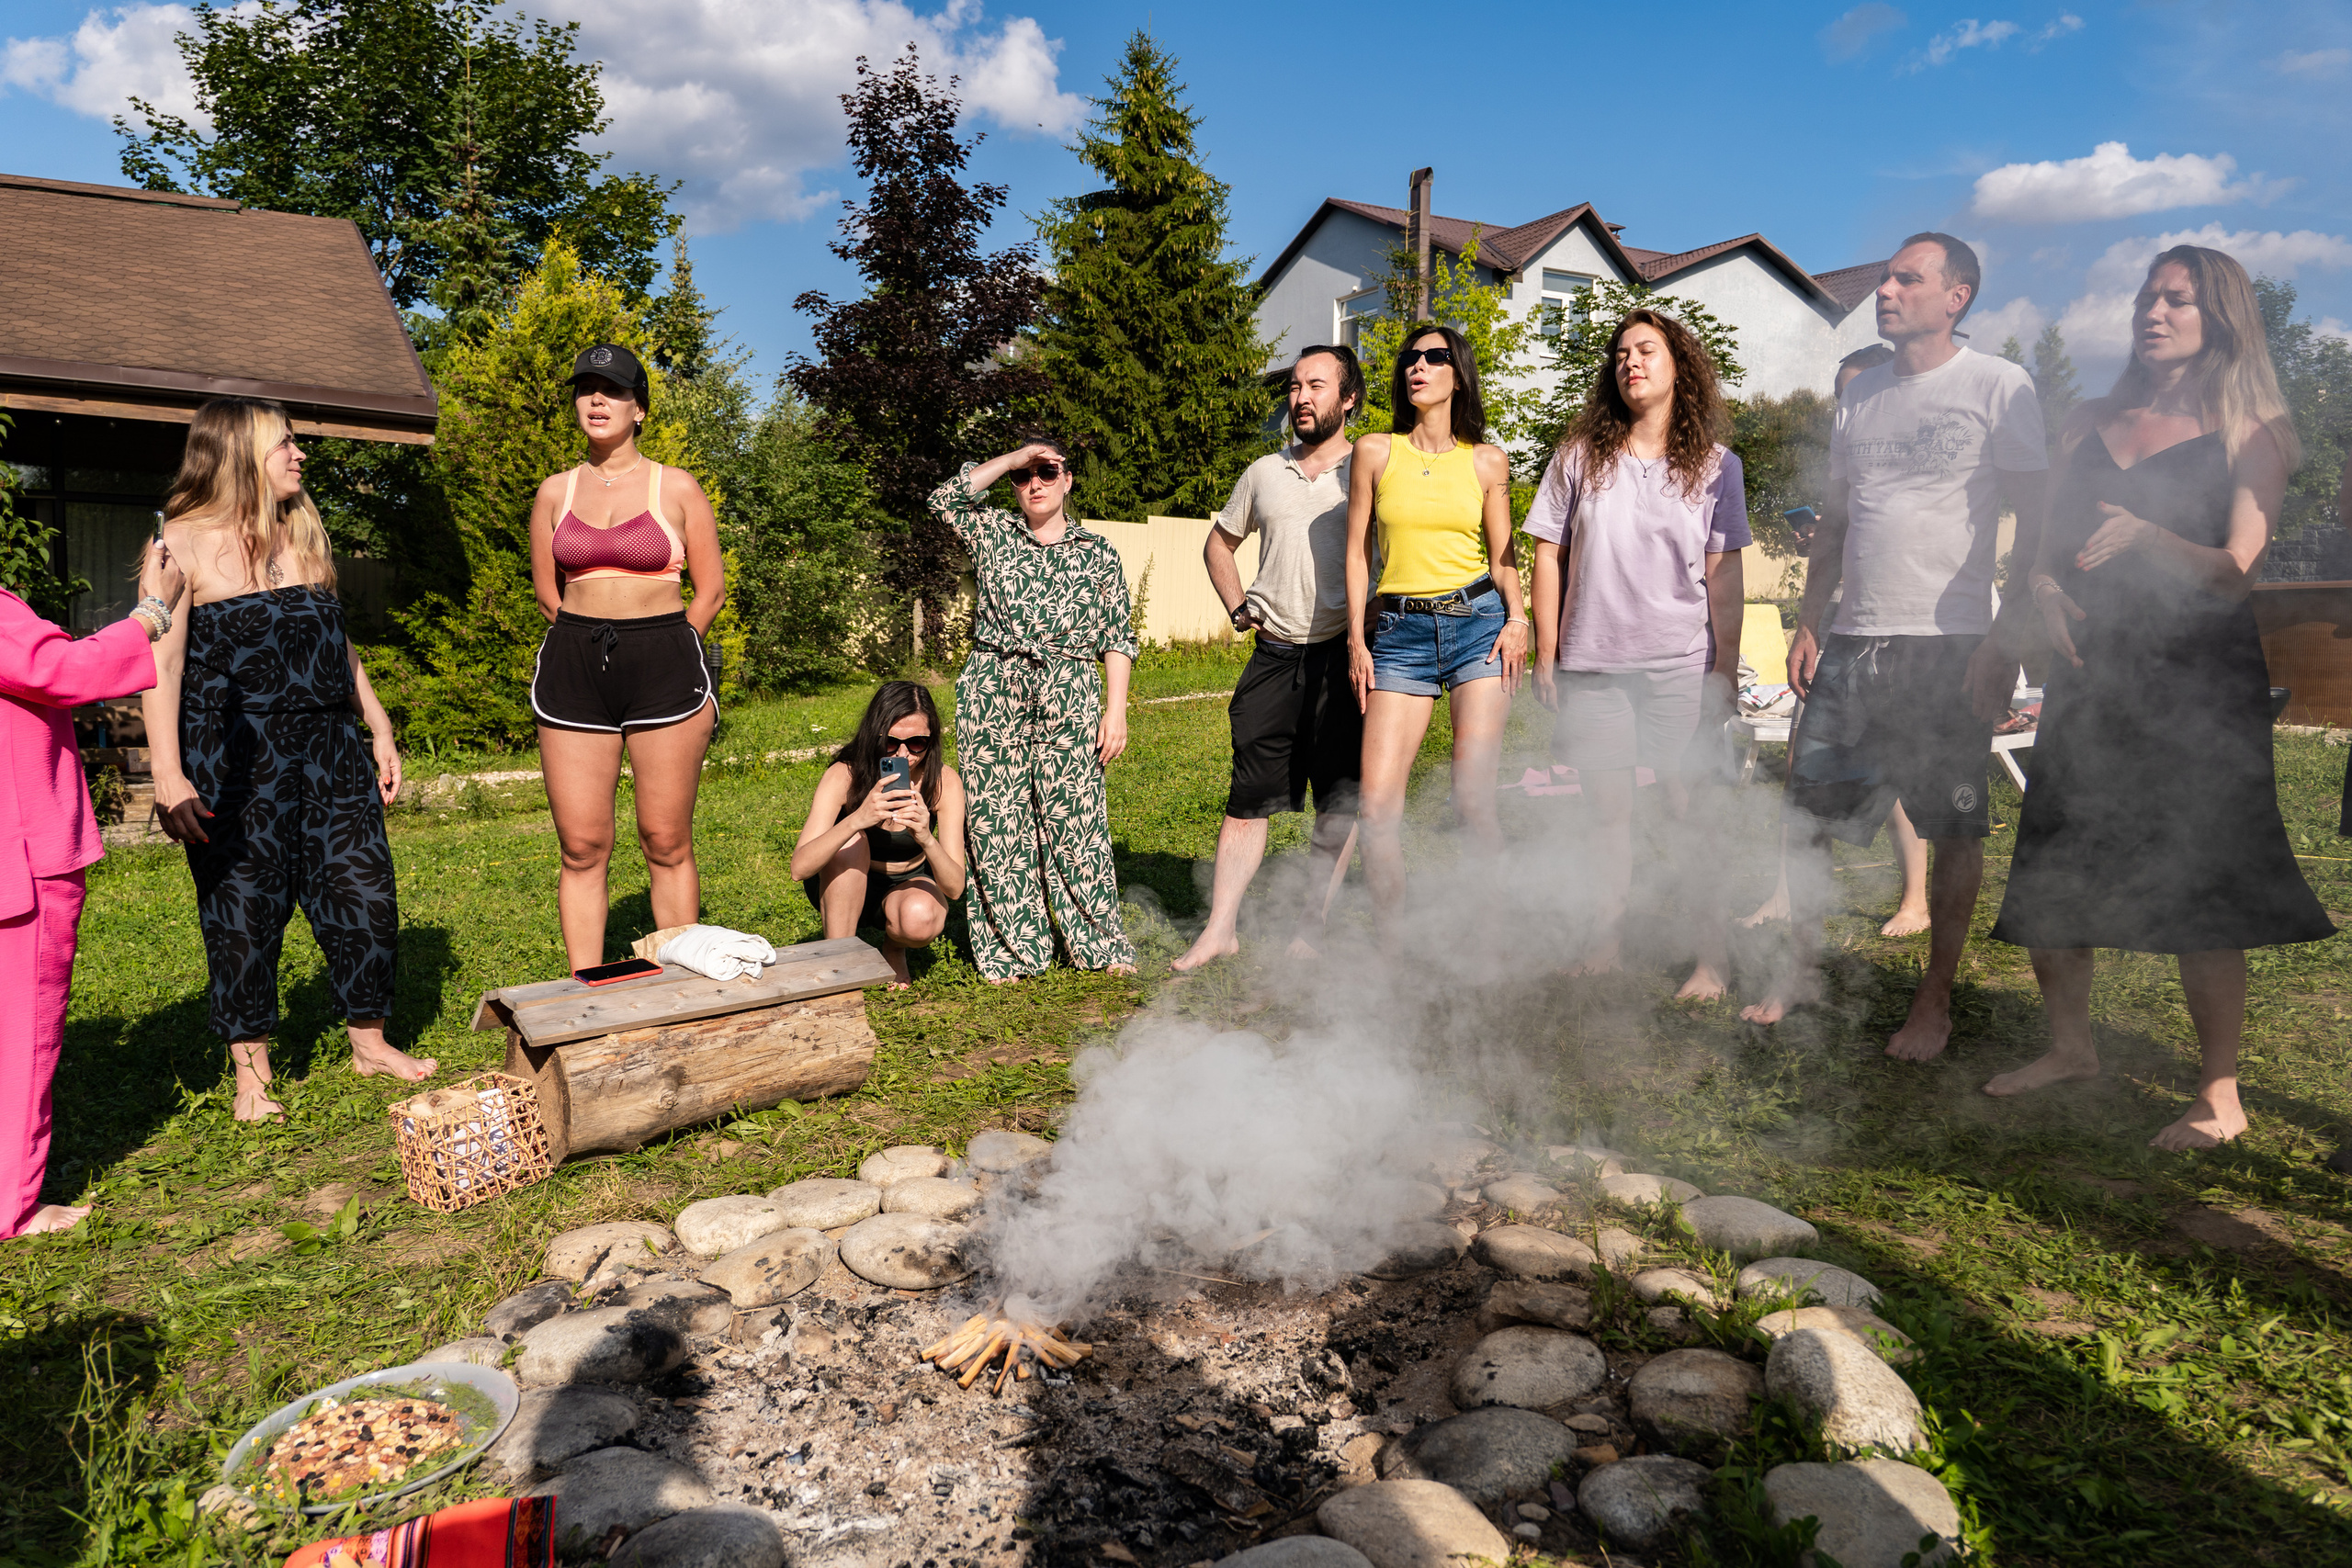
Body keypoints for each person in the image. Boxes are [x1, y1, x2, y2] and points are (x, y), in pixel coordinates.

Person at [1983, 244, 2334, 1149]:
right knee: (2058, 861)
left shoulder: (2252, 429)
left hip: (2197, 685)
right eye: (2147, 295)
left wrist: (2150, 539)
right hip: (2092, 675)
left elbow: (2237, 571)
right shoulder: (2085, 422)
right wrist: (2047, 593)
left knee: (2198, 878)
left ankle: (2219, 1095)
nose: (2153, 311)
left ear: (2219, 318)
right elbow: (2046, 548)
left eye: (2176, 300)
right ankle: (2070, 1048)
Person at [1744, 233, 2050, 1057]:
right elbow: (1838, 521)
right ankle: (1796, 971)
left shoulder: (1998, 384)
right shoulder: (1862, 395)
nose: (1885, 288)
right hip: (1854, 638)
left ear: (1958, 296)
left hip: (1949, 645)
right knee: (1807, 814)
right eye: (1885, 276)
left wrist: (2004, 639)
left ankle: (1934, 1001)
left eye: (1907, 279)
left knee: (1954, 829)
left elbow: (2038, 527)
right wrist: (1811, 619)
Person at [142, 398, 435, 1122]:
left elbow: (336, 643)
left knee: (364, 893)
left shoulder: (301, 535)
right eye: (285, 444)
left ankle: (370, 1041)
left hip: (331, 747)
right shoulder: (179, 544)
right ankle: (253, 1075)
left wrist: (378, 721)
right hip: (236, 754)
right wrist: (168, 771)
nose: (299, 455)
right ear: (238, 453)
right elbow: (162, 667)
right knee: (244, 909)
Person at [1527, 309, 1747, 995]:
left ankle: (1712, 957)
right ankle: (1605, 940)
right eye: (1621, 353)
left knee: (1688, 809)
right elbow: (1546, 553)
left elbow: (1725, 574)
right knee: (1605, 813)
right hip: (1592, 664)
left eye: (1646, 350)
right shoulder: (1578, 456)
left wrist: (1725, 669)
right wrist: (1545, 651)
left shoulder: (1716, 467)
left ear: (1680, 365)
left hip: (1680, 665)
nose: (1631, 362)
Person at [2, 546, 185, 1236]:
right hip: (22, 856)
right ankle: (12, 1205)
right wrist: (153, 611)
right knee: (23, 1034)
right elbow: (63, 670)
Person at [528, 344, 725, 973]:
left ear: (638, 408)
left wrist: (671, 645)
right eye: (585, 387)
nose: (595, 399)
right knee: (582, 845)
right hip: (574, 666)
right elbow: (545, 594)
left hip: (664, 660)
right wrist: (589, 640)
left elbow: (712, 590)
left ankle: (680, 987)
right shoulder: (554, 492)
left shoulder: (679, 488)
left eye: (611, 390)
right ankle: (586, 990)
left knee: (665, 840)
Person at [1171, 344, 1365, 971]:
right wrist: (1237, 607)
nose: (1300, 397)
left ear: (1348, 398)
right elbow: (1218, 544)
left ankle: (1310, 929)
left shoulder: (1368, 468)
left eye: (1316, 385)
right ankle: (1220, 928)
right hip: (1275, 654)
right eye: (1293, 387)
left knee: (1340, 799)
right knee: (1247, 795)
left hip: (1345, 656)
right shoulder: (1263, 471)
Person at [1741, 342, 1937, 938]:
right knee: (1802, 768)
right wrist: (1822, 546)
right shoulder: (1845, 462)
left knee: (1891, 769)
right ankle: (1784, 891)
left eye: (1856, 390)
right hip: (1833, 625)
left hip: (1894, 635)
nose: (1845, 405)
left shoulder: (1917, 463)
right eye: (1839, 395)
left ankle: (1916, 900)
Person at [930, 436, 1138, 981]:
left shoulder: (1099, 553)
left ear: (1068, 480)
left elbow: (1116, 636)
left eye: (1048, 472)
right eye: (1027, 476)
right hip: (993, 682)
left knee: (1076, 817)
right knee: (997, 817)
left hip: (1069, 685)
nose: (1036, 484)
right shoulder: (993, 532)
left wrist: (1115, 710)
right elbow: (944, 500)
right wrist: (1011, 459)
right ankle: (1014, 949)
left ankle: (1096, 943)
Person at [1344, 323, 1529, 935]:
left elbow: (1504, 553)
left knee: (1473, 798)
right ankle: (1392, 957)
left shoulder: (1486, 460)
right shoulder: (1375, 451)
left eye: (1434, 356)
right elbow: (1356, 553)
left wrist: (1519, 618)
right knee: (1376, 808)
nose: (1417, 366)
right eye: (1410, 358)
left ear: (1458, 373)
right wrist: (1355, 637)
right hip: (1399, 634)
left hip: (1478, 626)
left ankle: (1489, 942)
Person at [791, 682, 967, 987]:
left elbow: (954, 888)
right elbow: (799, 868)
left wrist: (926, 836)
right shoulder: (844, 775)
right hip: (843, 881)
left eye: (917, 743)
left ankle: (893, 947)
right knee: (849, 838)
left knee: (920, 917)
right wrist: (858, 818)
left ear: (932, 740)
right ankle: (840, 960)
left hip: (908, 881)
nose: (904, 754)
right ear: (875, 735)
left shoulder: (943, 782)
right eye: (891, 743)